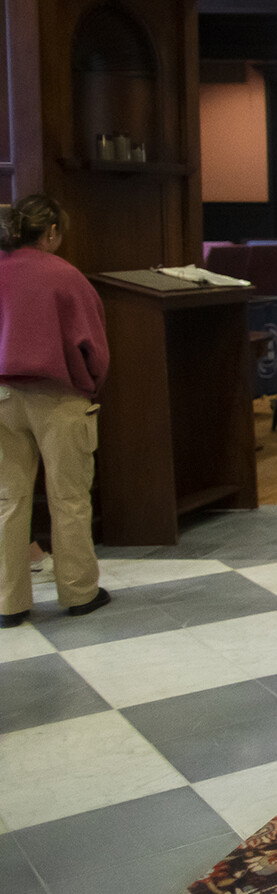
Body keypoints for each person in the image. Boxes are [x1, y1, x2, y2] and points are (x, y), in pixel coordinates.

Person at [0, 194, 111, 625]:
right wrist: (90, 386)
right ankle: (79, 593)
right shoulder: (65, 277)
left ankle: (9, 603)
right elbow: (93, 347)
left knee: (8, 500)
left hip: (3, 398)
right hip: (58, 397)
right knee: (68, 498)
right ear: (50, 232)